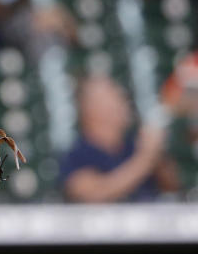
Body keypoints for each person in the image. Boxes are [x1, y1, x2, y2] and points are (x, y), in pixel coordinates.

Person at [60, 74, 177, 202]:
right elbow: (94, 194)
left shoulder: (133, 145)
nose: (123, 100)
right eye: (111, 94)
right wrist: (145, 158)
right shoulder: (77, 155)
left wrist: (156, 153)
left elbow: (172, 187)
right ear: (88, 108)